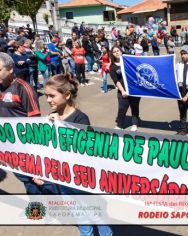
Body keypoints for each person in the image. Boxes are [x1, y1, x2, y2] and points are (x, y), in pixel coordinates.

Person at [43, 73, 112, 236]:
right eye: (46, 96)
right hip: (63, 178)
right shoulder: (51, 118)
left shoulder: (81, 118)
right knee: (78, 214)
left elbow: (84, 148)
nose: (47, 100)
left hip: (82, 178)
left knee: (95, 214)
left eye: (52, 96)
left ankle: (105, 233)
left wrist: (60, 125)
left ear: (67, 95)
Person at [0, 52, 59, 194]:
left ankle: (53, 207)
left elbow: (35, 122)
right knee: (24, 178)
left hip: (26, 146)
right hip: (7, 145)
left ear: (10, 69)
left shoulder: (23, 88)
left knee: (40, 181)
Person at [109, 45, 141, 131]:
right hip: (122, 91)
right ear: (112, 54)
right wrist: (123, 91)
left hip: (134, 90)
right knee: (122, 109)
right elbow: (116, 81)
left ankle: (135, 123)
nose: (116, 52)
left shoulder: (128, 62)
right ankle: (119, 125)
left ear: (121, 51)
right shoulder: (112, 67)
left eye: (118, 50)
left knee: (135, 107)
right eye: (114, 52)